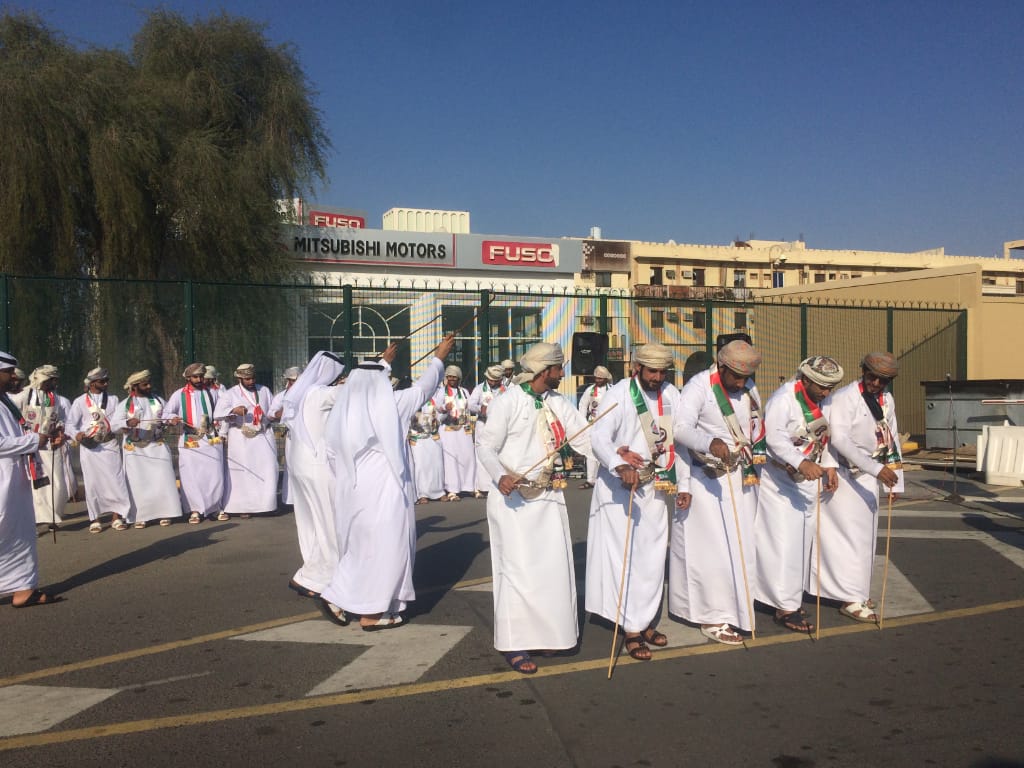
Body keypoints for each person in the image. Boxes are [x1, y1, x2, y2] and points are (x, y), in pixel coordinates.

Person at [320, 333, 456, 630]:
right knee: (388, 548)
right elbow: (424, 388)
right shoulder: (393, 404)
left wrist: (383, 361)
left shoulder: (343, 411)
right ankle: (372, 613)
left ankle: (338, 595)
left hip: (353, 490)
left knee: (359, 547)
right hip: (387, 490)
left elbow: (330, 454)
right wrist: (439, 357)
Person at [476, 342, 593, 674]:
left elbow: (584, 438)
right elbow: (485, 446)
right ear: (545, 371)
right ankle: (514, 643)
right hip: (513, 499)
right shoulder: (508, 401)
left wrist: (616, 456)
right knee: (516, 571)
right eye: (558, 368)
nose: (562, 373)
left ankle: (547, 635)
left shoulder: (557, 402)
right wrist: (500, 475)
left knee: (551, 569)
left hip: (549, 495)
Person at [586, 344, 687, 661]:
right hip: (621, 489)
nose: (657, 377)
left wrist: (684, 484)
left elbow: (678, 439)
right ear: (637, 368)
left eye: (662, 372)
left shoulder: (671, 394)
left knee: (652, 558)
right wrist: (619, 465)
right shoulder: (619, 394)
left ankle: (645, 622)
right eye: (652, 371)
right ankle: (630, 629)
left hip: (655, 486)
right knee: (626, 558)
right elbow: (599, 437)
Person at [670, 339, 765, 645]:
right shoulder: (698, 387)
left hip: (740, 478)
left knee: (740, 548)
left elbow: (754, 425)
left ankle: (738, 611)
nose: (740, 383)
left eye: (745, 377)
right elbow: (680, 429)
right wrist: (708, 442)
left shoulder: (748, 386)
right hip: (707, 480)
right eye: (735, 376)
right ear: (721, 366)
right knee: (711, 553)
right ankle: (712, 616)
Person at [810, 351, 904, 623]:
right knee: (848, 539)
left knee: (866, 538)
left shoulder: (886, 399)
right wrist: (876, 469)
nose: (876, 383)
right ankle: (850, 597)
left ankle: (858, 590)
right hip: (844, 474)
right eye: (872, 376)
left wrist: (896, 481)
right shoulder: (845, 398)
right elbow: (839, 439)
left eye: (883, 380)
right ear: (862, 370)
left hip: (869, 475)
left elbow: (891, 438)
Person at [754, 356, 842, 633]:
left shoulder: (818, 399)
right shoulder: (783, 400)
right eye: (822, 387)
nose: (826, 392)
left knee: (802, 543)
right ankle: (785, 607)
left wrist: (829, 465)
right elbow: (774, 438)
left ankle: (790, 597)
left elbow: (822, 436)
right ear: (805, 380)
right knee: (783, 544)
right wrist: (800, 462)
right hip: (780, 481)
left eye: (830, 388)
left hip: (807, 479)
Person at [280, 351, 346, 599]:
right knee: (327, 521)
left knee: (308, 521)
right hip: (317, 466)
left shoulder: (302, 392)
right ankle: (323, 576)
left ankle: (310, 568)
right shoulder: (320, 393)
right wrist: (378, 368)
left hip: (299, 465)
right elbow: (353, 391)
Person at [0, 350, 63, 607]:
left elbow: (19, 434)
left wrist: (45, 439)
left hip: (16, 478)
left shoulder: (5, 401)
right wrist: (35, 440)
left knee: (21, 533)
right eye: (8, 372)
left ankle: (23, 589)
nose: (15, 377)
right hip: (3, 478)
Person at [67, 367, 132, 533]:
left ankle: (117, 517)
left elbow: (117, 422)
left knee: (115, 480)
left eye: (107, 380)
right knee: (92, 483)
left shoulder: (113, 399)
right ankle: (95, 519)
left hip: (109, 444)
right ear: (92, 383)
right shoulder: (80, 401)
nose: (106, 383)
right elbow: (70, 425)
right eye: (102, 381)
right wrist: (77, 435)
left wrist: (124, 425)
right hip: (90, 447)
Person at [164, 363, 225, 524]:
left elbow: (222, 411)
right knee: (191, 475)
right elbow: (166, 413)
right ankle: (195, 510)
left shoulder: (212, 392)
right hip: (190, 439)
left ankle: (215, 508)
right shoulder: (179, 395)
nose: (199, 380)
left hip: (211, 438)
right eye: (195, 377)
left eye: (201, 376)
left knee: (214, 474)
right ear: (188, 378)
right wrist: (172, 418)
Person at [215, 364, 278, 520]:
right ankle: (243, 507)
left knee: (267, 469)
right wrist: (233, 411)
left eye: (253, 378)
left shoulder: (264, 390)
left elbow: (271, 410)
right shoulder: (230, 394)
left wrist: (274, 415)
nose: (251, 381)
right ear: (239, 379)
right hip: (240, 437)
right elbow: (217, 414)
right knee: (243, 474)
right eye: (247, 379)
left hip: (262, 435)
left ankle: (266, 505)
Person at [120, 370, 182, 527]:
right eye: (145, 384)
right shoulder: (125, 404)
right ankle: (141, 516)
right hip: (135, 449)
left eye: (149, 383)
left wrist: (171, 419)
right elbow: (114, 424)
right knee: (138, 482)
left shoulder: (158, 400)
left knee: (163, 478)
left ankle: (165, 513)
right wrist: (127, 423)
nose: (149, 386)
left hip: (156, 445)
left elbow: (166, 414)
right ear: (135, 386)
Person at [12, 365, 72, 527]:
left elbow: (60, 419)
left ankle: (53, 516)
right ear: (45, 380)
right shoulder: (24, 395)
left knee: (58, 484)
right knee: (35, 486)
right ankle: (36, 519)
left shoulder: (55, 398)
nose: (55, 383)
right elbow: (11, 416)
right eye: (53, 380)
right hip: (30, 446)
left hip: (50, 446)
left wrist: (60, 431)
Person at [435, 365, 476, 501]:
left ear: (459, 378)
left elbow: (470, 407)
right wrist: (444, 408)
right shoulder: (441, 392)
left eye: (454, 377)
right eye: (449, 377)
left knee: (468, 457)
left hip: (463, 429)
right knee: (451, 459)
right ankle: (452, 489)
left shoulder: (464, 392)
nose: (452, 379)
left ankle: (468, 486)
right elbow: (437, 409)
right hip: (448, 430)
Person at [468, 364, 507, 498]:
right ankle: (483, 487)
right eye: (489, 379)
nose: (491, 382)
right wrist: (481, 409)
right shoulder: (479, 388)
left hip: (500, 427)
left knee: (498, 454)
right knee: (482, 454)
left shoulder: (506, 390)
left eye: (494, 380)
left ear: (500, 379)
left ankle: (498, 483)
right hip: (483, 425)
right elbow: (470, 404)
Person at [577, 365, 614, 489]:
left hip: (608, 425)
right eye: (596, 378)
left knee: (607, 450)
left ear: (605, 379)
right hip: (592, 424)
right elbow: (583, 405)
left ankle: (608, 479)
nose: (597, 380)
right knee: (591, 452)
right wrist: (582, 423)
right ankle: (590, 480)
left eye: (600, 378)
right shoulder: (590, 390)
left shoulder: (612, 390)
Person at [270, 366, 301, 507]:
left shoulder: (310, 393)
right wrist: (282, 412)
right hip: (291, 436)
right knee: (292, 466)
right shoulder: (281, 396)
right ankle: (291, 499)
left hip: (309, 437)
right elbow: (271, 414)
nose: (293, 384)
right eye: (292, 381)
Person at [409, 399, 444, 505]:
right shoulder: (413, 400)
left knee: (437, 465)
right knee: (421, 466)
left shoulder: (432, 400)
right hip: (418, 439)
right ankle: (422, 494)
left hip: (432, 437)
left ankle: (439, 492)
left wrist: (443, 414)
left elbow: (440, 417)